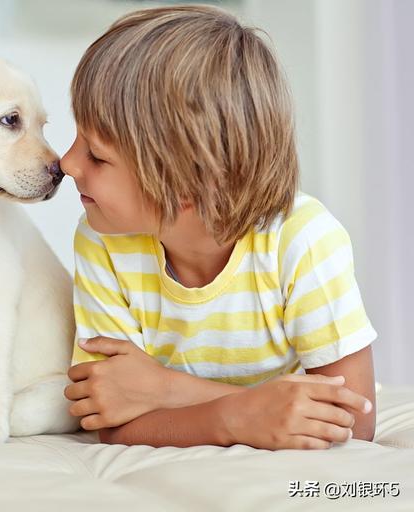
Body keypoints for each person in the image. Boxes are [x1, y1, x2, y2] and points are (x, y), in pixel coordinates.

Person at [60, 5, 377, 450]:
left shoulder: (303, 240)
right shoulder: (101, 240)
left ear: (186, 185)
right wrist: (237, 416)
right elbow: (108, 417)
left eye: (97, 156)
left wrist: (170, 391)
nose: (66, 163)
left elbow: (351, 424)